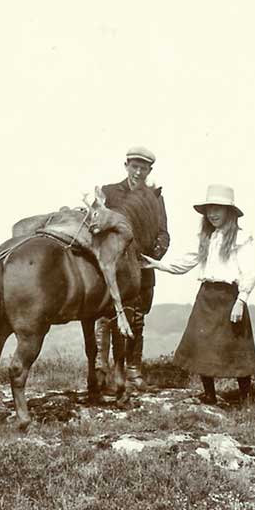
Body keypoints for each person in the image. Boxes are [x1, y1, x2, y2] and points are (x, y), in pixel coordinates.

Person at [141, 184, 255, 405]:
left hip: (229, 296)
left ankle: (246, 398)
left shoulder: (240, 238)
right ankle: (210, 394)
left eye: (218, 209)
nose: (213, 214)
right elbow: (186, 262)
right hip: (206, 296)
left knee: (236, 348)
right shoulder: (207, 238)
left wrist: (241, 301)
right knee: (201, 345)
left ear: (229, 211)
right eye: (209, 209)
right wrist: (157, 264)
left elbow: (250, 271)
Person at [97, 146, 170, 389]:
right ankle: (101, 369)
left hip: (141, 268)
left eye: (144, 168)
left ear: (150, 170)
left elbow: (163, 233)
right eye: (134, 166)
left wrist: (152, 256)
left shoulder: (155, 197)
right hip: (113, 268)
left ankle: (133, 369)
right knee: (106, 316)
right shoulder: (109, 193)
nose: (138, 172)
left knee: (137, 319)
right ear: (126, 165)